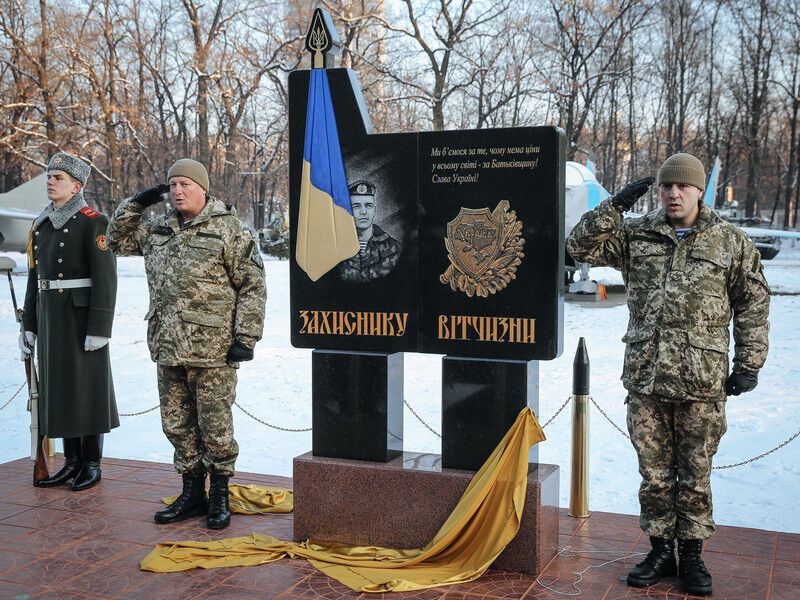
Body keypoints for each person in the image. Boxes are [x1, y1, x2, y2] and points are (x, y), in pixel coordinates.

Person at [566, 153, 770, 596]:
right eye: (666, 186)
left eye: (683, 186)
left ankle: (693, 556)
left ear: (698, 191)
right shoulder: (639, 234)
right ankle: (660, 550)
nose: (674, 194)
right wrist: (614, 205)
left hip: (702, 380)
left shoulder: (729, 242)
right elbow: (577, 246)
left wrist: (749, 363)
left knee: (695, 474)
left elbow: (752, 303)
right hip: (647, 376)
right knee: (654, 472)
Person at [106, 158, 266, 530]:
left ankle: (220, 493)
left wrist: (245, 337)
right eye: (172, 184)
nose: (177, 191)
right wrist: (136, 203)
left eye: (185, 185)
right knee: (176, 424)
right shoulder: (159, 229)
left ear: (203, 189)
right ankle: (192, 492)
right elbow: (115, 240)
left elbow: (253, 285)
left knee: (215, 426)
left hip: (214, 350)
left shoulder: (228, 230)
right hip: (167, 345)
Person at [20, 152, 118, 491]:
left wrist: (100, 328)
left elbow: (106, 278)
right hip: (51, 318)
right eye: (49, 175)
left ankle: (91, 462)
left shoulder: (94, 221)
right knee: (60, 390)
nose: (50, 181)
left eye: (58, 177)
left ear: (77, 186)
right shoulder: (41, 225)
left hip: (80, 318)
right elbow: (36, 279)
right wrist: (29, 324)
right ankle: (72, 462)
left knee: (87, 389)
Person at [338, 180, 401, 282]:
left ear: (374, 210)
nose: (363, 212)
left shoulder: (393, 248)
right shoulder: (337, 246)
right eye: (356, 206)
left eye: (368, 205)